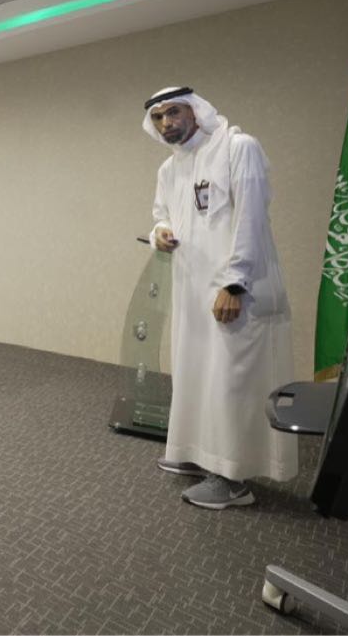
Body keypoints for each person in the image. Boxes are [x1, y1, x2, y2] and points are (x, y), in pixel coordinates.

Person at [143, 86, 297, 509]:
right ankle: (197, 453)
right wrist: (160, 233)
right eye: (158, 117)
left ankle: (232, 480)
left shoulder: (237, 148)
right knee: (197, 375)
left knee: (232, 382)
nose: (166, 123)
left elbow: (251, 220)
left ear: (195, 111)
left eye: (174, 112)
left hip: (236, 292)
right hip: (191, 292)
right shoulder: (169, 168)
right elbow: (161, 215)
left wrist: (234, 284)